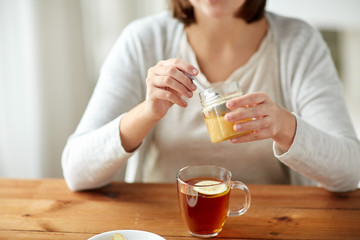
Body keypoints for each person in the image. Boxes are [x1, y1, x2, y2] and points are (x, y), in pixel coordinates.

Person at [62, 0, 360, 192]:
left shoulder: (299, 42)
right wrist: (147, 111)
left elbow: (348, 171)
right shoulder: (143, 40)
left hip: (269, 224)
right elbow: (77, 172)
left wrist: (283, 126)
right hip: (162, 224)